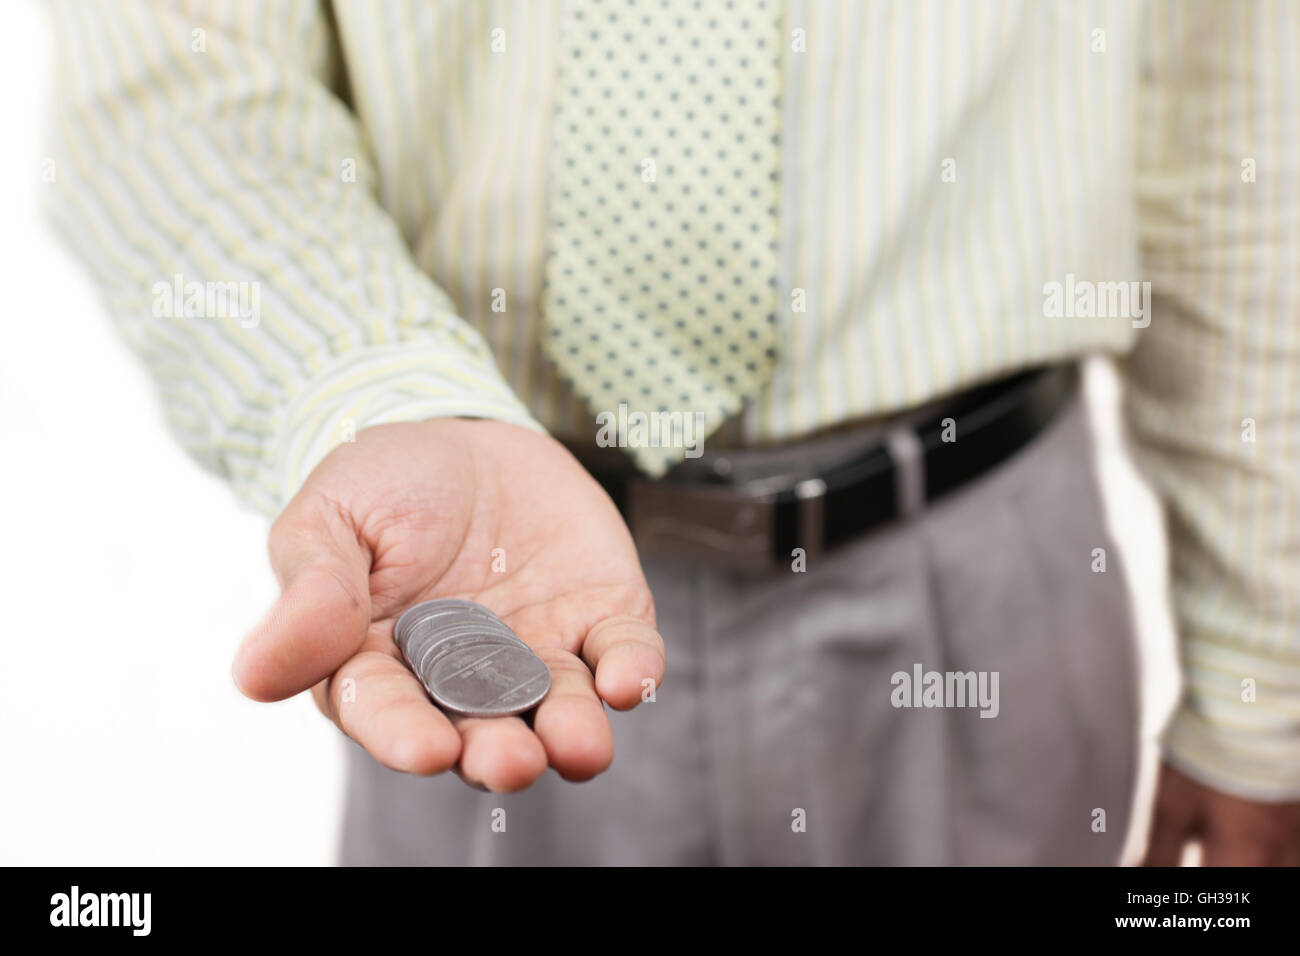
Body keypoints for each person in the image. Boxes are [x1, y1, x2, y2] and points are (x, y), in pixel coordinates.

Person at [46, 0, 1300, 865]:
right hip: (470, 601)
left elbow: (1237, 108)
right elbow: (175, 80)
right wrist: (385, 400)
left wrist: (1262, 679)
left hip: (982, 585)